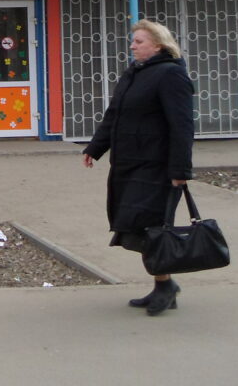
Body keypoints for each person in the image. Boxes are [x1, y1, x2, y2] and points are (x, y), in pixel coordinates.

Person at [82, 19, 195, 316]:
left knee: (150, 226)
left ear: (157, 45)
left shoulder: (171, 75)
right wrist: (95, 148)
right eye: (133, 41)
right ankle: (164, 284)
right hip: (128, 164)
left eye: (139, 41)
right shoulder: (134, 73)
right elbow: (114, 115)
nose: (132, 46)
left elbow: (182, 126)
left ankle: (165, 285)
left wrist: (180, 171)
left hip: (156, 167)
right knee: (134, 226)